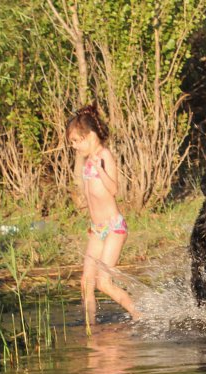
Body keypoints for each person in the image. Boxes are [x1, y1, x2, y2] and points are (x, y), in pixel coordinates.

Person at [66, 103, 139, 328]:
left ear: (90, 136)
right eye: (72, 143)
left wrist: (100, 170)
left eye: (77, 141)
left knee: (103, 282)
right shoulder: (88, 158)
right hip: (97, 229)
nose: (75, 147)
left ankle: (141, 316)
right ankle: (91, 328)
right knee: (86, 282)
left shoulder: (104, 155)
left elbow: (114, 188)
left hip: (114, 228)